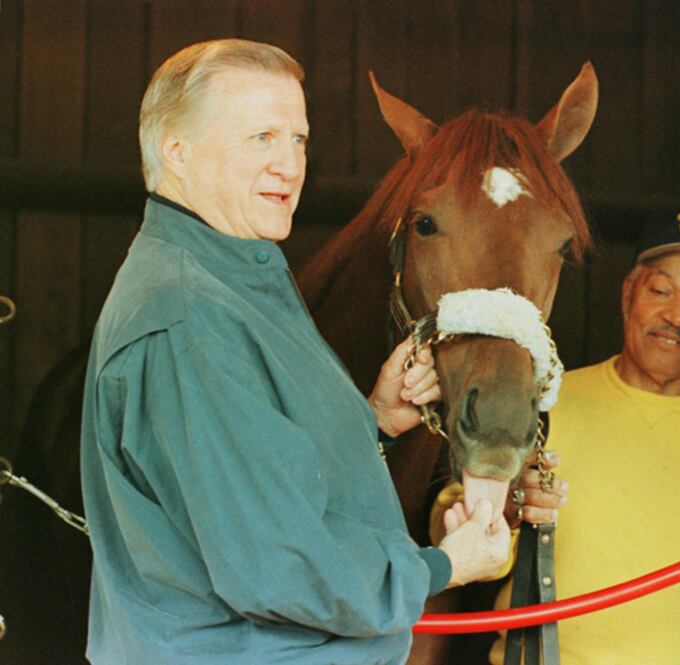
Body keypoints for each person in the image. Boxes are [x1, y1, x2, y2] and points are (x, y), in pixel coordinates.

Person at [80, 39, 512, 665]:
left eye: (299, 140)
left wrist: (374, 422)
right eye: (261, 138)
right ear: (177, 151)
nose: (289, 165)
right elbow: (274, 562)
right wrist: (441, 567)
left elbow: (258, 470)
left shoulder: (233, 275)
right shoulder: (187, 316)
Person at [433, 211, 680, 664]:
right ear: (629, 293)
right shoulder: (543, 404)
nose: (676, 317)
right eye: (661, 291)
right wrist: (502, 513)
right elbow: (459, 527)